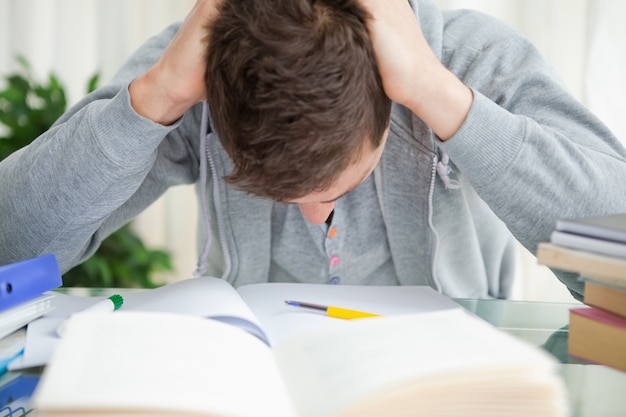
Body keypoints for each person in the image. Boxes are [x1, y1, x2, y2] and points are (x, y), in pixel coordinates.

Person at [1, 0, 625, 301]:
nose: (310, 217)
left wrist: (445, 101)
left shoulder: (464, 59)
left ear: (391, 91)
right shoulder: (196, 68)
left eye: (331, 189)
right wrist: (156, 96)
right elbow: (9, 247)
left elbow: (617, 260)